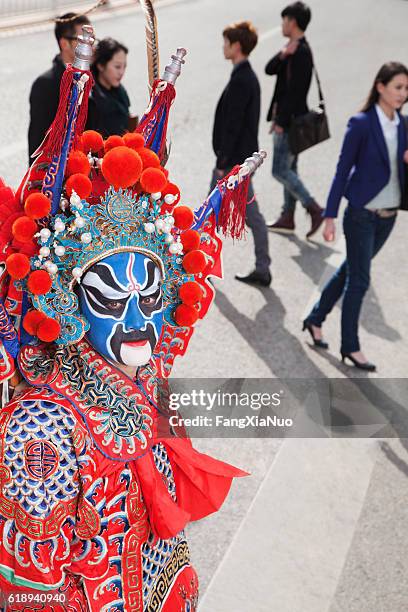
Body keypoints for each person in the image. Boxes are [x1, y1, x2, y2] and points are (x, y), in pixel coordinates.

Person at [0, 27, 257, 610]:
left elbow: (179, 311)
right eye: (111, 301)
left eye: (149, 294)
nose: (140, 318)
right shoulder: (41, 423)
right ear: (66, 303)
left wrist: (216, 207)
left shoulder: (142, 357)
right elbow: (32, 583)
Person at [303, 62, 408, 371]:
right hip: (361, 214)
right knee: (360, 280)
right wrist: (330, 216)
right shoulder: (361, 123)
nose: (403, 93)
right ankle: (350, 346)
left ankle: (314, 318)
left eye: (406, 88)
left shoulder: (403, 126)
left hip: (388, 217)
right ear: (380, 87)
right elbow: (341, 171)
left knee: (351, 270)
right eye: (398, 87)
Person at [211, 21, 272, 287]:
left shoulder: (242, 79)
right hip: (239, 159)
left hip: (234, 162)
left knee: (210, 213)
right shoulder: (245, 75)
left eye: (226, 43)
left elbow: (233, 125)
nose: (223, 48)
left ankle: (199, 267)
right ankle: (262, 266)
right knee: (242, 213)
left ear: (236, 46)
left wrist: (223, 164)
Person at [265, 1, 323, 238]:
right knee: (290, 169)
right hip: (289, 120)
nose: (282, 24)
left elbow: (297, 92)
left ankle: (314, 207)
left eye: (284, 20)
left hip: (290, 123)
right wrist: (282, 54)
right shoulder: (291, 49)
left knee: (280, 170)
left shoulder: (302, 53)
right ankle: (288, 216)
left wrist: (280, 121)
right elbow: (269, 69)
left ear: (293, 22)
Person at [28, 12, 91, 161]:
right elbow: (37, 142)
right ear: (64, 44)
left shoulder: (94, 76)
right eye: (83, 41)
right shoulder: (45, 85)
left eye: (91, 40)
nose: (90, 47)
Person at [86, 37, 131, 137]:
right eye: (117, 67)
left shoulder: (120, 91)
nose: (121, 72)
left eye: (124, 67)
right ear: (101, 65)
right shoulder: (90, 97)